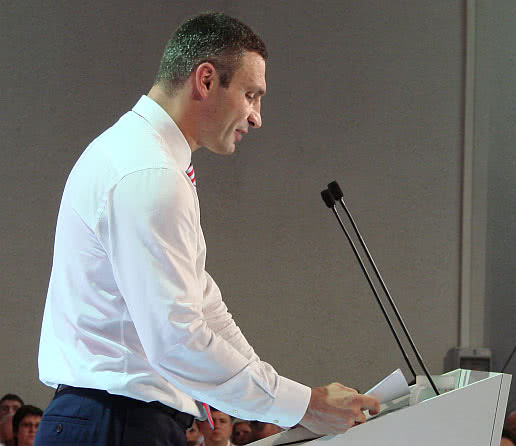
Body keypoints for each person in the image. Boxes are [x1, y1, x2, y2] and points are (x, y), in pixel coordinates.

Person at [35, 11, 379, 446]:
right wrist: (302, 404)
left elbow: (204, 305)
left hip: (113, 421)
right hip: (115, 423)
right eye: (251, 95)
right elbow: (177, 339)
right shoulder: (149, 172)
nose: (256, 117)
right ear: (207, 80)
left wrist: (285, 405)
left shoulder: (145, 157)